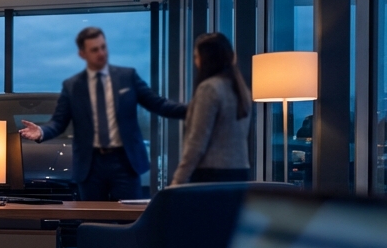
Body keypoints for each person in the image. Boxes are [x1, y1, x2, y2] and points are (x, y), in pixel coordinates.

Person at [20, 26, 186, 201]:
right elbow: (59, 122)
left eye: (103, 47)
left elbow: (158, 104)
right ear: (82, 54)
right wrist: (41, 132)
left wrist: (193, 109)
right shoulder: (72, 86)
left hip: (125, 162)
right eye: (94, 50)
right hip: (90, 165)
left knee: (128, 220)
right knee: (92, 220)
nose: (101, 53)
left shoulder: (127, 77)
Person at [171, 32, 252, 185]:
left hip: (211, 175)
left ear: (205, 58)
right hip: (239, 173)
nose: (195, 61)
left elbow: (197, 143)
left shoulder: (209, 89)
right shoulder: (241, 91)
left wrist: (177, 181)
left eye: (196, 56)